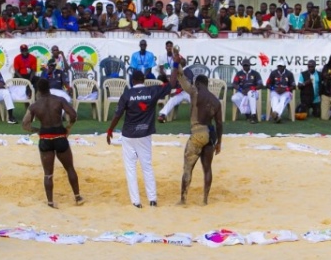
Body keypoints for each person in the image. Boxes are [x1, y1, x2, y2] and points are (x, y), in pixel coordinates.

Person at [106, 66, 178, 208]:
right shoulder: (152, 91)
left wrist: (110, 130)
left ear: (132, 81)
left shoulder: (127, 94)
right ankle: (152, 199)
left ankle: (136, 201)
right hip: (145, 134)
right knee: (147, 166)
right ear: (144, 80)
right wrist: (175, 66)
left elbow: (118, 114)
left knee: (131, 168)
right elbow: (172, 84)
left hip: (128, 134)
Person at [21, 79, 83, 208]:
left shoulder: (35, 105)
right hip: (60, 136)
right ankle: (77, 197)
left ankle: (50, 201)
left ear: (38, 90)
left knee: (48, 173)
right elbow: (73, 114)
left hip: (45, 138)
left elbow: (25, 124)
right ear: (49, 87)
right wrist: (68, 126)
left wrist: (37, 130)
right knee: (69, 168)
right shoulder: (59, 100)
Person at [175, 70, 223, 206]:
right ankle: (205, 199)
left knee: (188, 168)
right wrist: (219, 142)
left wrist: (177, 66)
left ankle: (183, 199)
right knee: (207, 168)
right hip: (211, 134)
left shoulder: (195, 93)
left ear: (198, 84)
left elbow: (182, 81)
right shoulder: (215, 101)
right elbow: (219, 124)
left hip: (198, 133)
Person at [231, 59, 263, 123]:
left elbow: (260, 85)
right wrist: (241, 90)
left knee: (250, 93)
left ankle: (253, 115)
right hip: (242, 92)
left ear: (250, 65)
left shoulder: (255, 73)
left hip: (253, 92)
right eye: (244, 65)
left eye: (247, 65)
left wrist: (252, 88)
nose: (245, 67)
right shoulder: (239, 73)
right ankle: (247, 113)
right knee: (234, 98)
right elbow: (234, 84)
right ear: (242, 66)